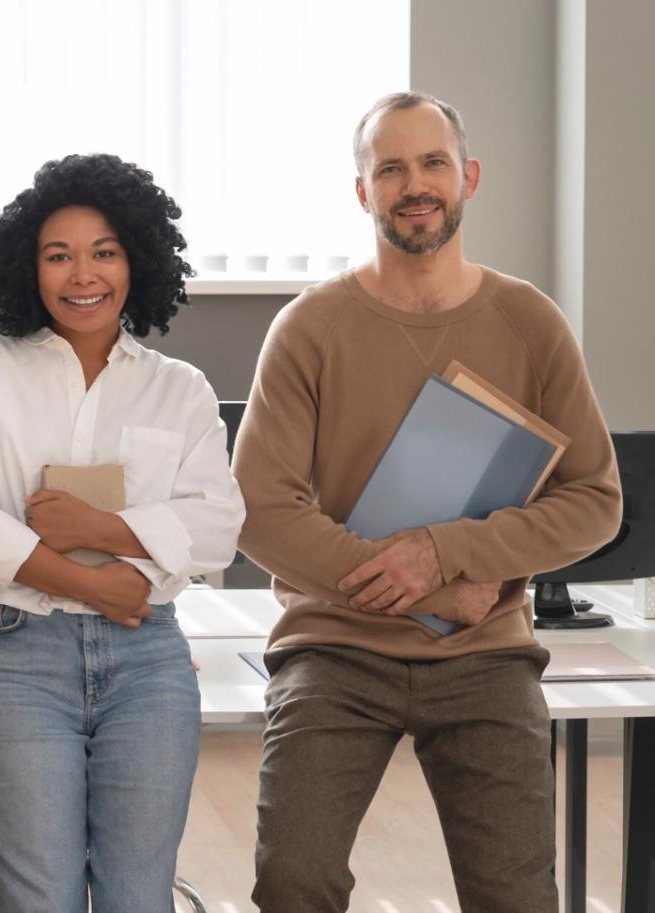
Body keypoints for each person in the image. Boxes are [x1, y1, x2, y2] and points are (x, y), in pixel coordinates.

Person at [233, 92, 622, 912]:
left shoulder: (530, 322)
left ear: (467, 177)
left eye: (432, 163)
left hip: (484, 654)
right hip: (334, 649)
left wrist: (447, 551)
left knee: (517, 896)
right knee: (292, 879)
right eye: (390, 169)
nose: (414, 185)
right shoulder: (308, 326)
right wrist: (429, 587)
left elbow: (594, 500)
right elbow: (260, 510)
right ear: (362, 191)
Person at [0, 153, 245, 912]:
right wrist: (97, 582)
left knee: (139, 897)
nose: (82, 274)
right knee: (39, 897)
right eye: (57, 255)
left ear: (137, 260)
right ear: (26, 267)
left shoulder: (180, 388)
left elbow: (218, 527)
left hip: (148, 662)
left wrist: (98, 527)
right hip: (18, 656)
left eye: (104, 251)